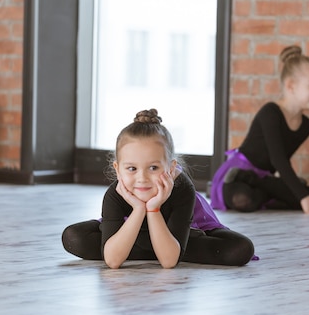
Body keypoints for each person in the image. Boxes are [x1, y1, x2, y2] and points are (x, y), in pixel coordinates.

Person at [62, 109, 255, 269]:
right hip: (133, 231)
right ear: (118, 169)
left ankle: (155, 246)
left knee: (240, 249)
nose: (142, 178)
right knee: (74, 236)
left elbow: (169, 262)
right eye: (132, 168)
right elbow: (112, 261)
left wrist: (153, 209)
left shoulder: (182, 188)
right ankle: (148, 246)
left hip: (180, 234)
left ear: (170, 168)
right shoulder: (115, 193)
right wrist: (138, 209)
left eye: (153, 168)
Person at [210, 45, 309, 215]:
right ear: (291, 86)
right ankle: (252, 181)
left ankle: (266, 187)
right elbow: (278, 160)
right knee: (244, 199)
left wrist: (295, 190)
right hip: (237, 175)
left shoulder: (306, 126)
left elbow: (280, 163)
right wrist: (303, 197)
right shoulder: (271, 112)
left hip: (265, 179)